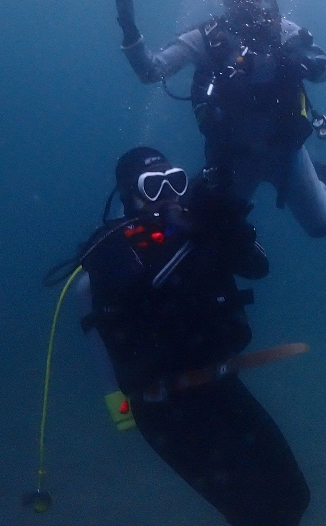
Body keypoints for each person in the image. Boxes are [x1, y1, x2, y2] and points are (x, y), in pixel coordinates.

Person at [79, 146, 310, 526]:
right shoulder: (111, 246)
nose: (167, 194)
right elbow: (141, 286)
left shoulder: (198, 227)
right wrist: (189, 234)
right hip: (166, 407)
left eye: (174, 182)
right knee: (257, 514)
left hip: (221, 384)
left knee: (293, 496)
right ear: (130, 196)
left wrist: (224, 224)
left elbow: (258, 266)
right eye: (153, 186)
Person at [115, 0, 326, 237]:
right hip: (233, 161)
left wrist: (309, 65)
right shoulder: (205, 39)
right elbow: (152, 71)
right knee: (211, 237)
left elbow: (325, 67)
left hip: (287, 153)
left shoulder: (284, 32)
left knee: (321, 225)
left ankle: (318, 179)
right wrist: (130, 31)